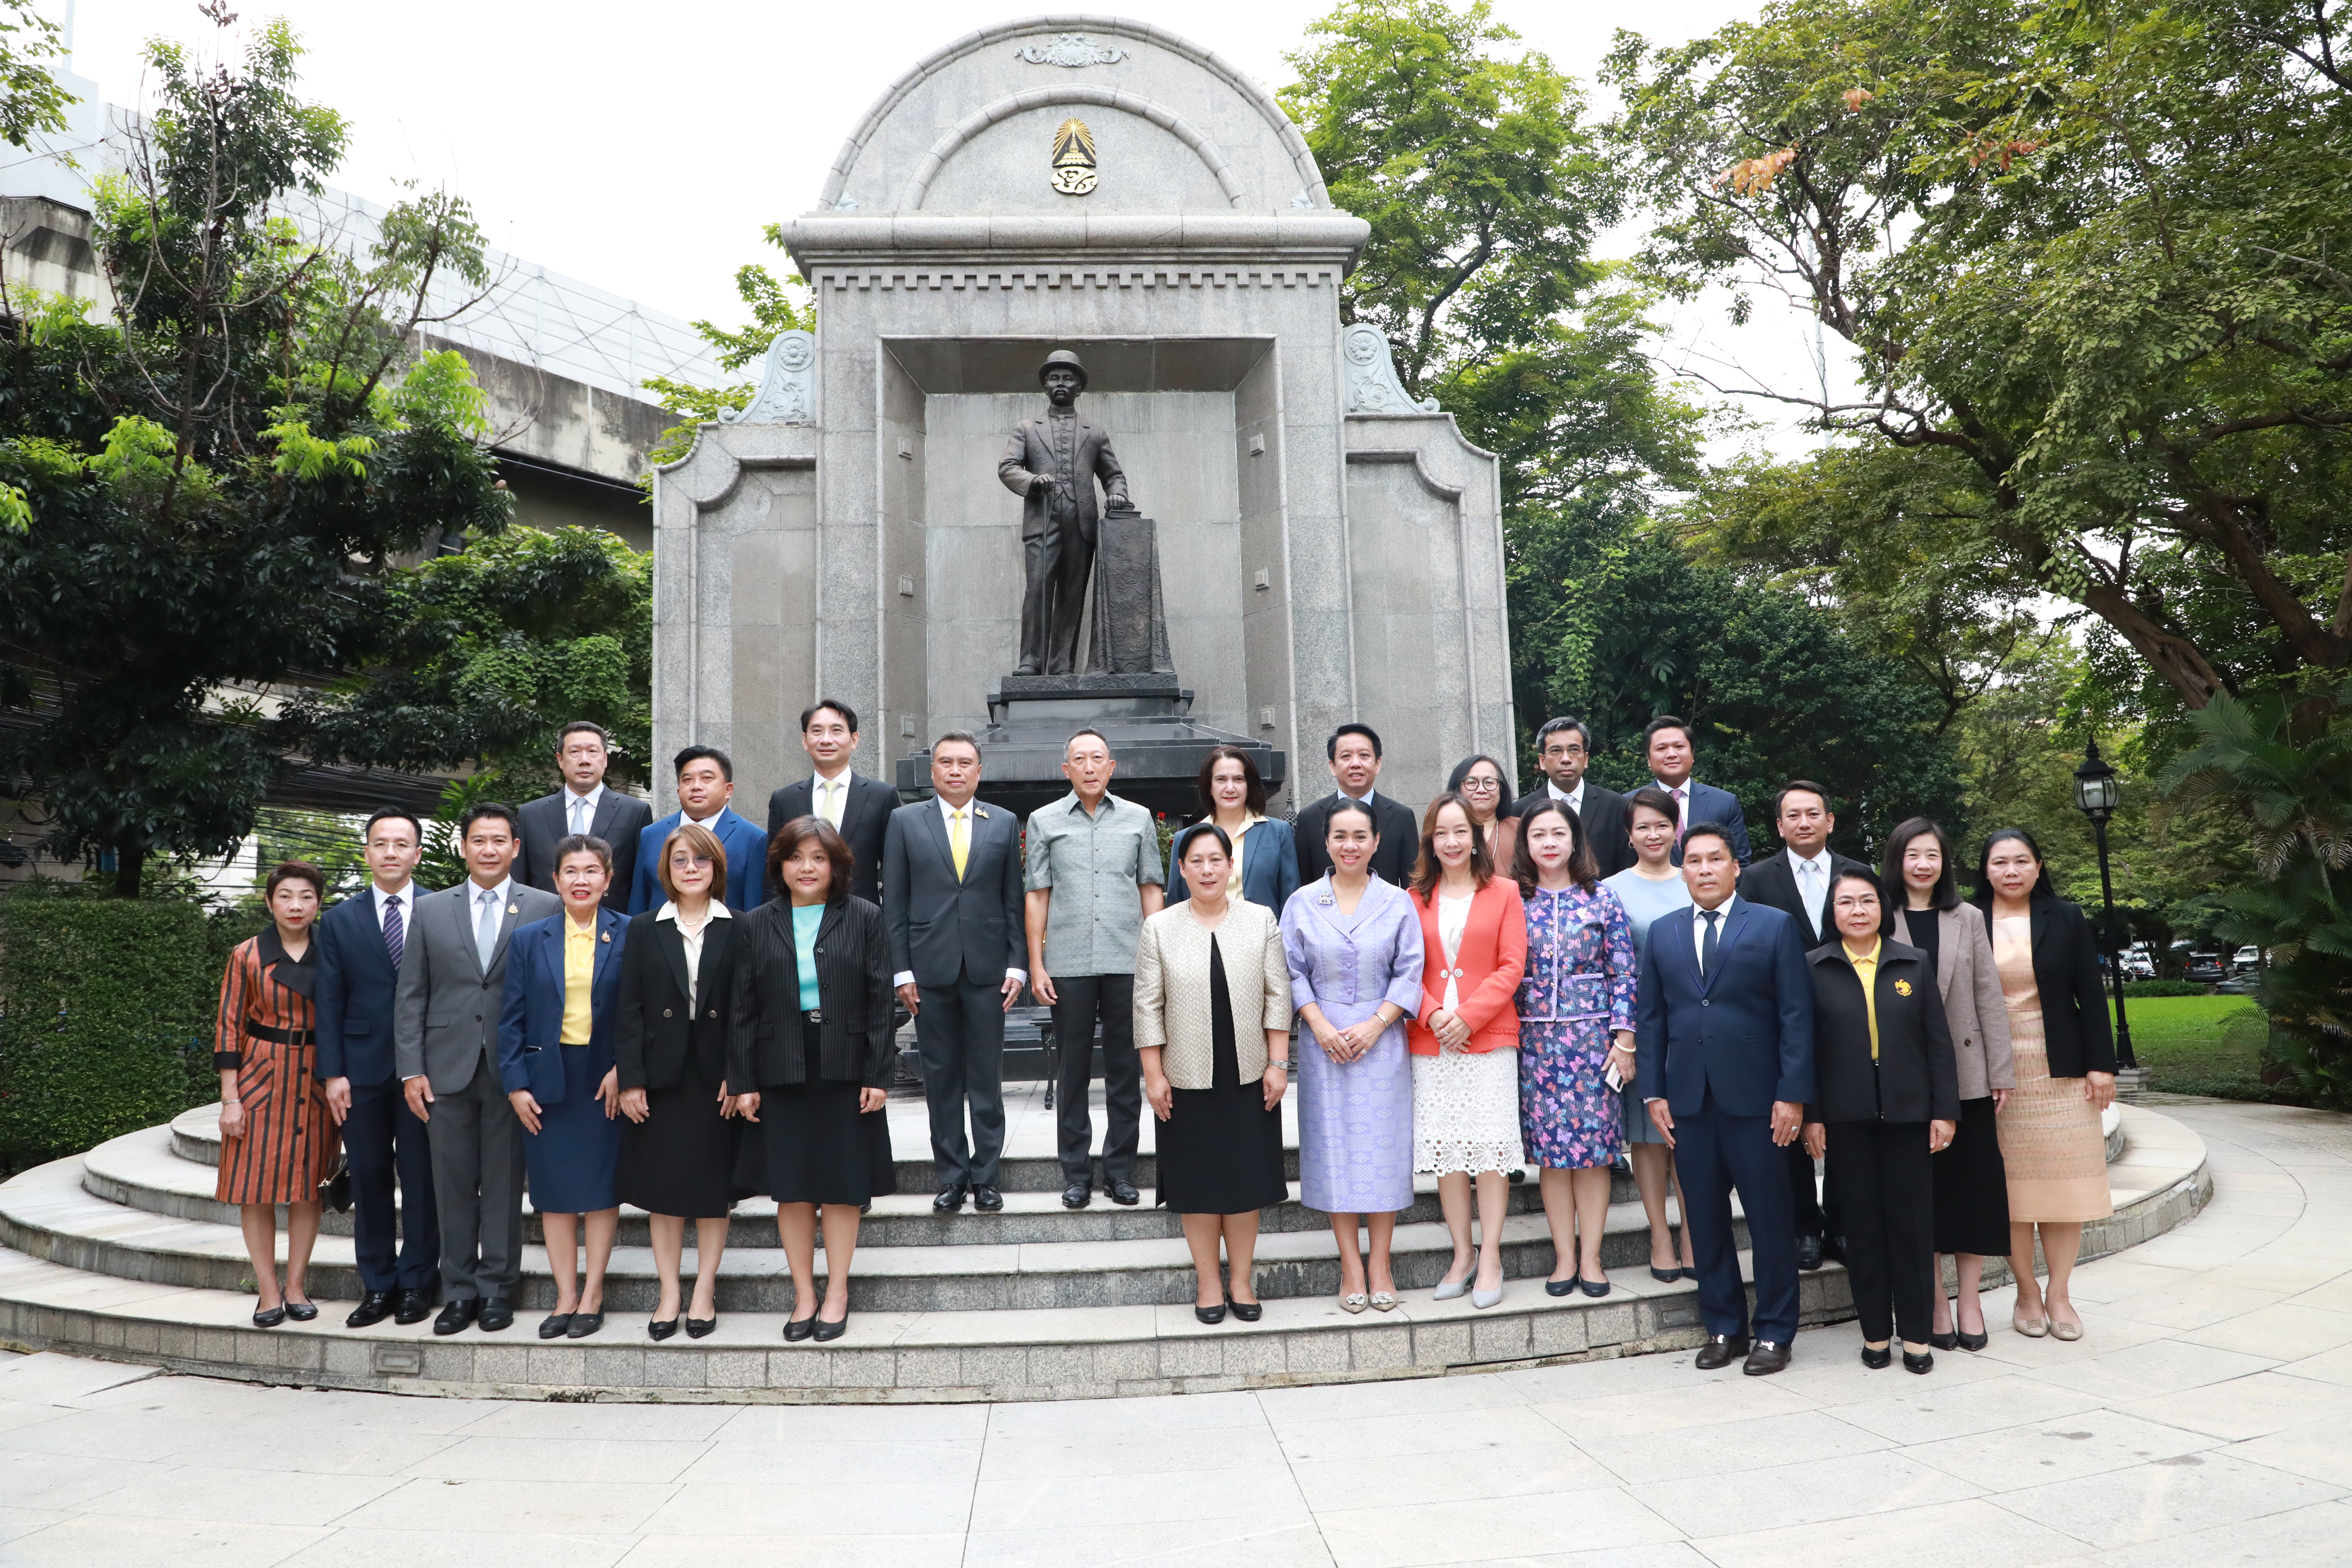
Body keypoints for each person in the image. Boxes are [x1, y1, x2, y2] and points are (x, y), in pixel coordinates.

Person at [1635, 824, 1814, 1376]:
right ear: (1682, 869)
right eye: (1695, 861)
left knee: (1769, 1220)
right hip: (1690, 1102)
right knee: (1706, 1222)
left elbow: (1796, 1016)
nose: (1706, 869)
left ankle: (1775, 1332)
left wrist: (1793, 1096)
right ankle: (1724, 1327)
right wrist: (1654, 1092)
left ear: (1736, 868)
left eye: (1716, 860)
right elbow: (1652, 1018)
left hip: (1760, 1103)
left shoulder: (1772, 926)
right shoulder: (1662, 933)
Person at [395, 803, 563, 1336]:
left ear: (516, 848)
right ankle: (459, 1290)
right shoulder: (431, 910)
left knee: (505, 1181)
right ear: (463, 847)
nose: (489, 850)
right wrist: (410, 1070)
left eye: (499, 841)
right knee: (451, 1184)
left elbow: (552, 992)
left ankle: (497, 1289)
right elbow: (411, 996)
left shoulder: (546, 905)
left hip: (513, 1069)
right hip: (445, 1067)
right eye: (479, 840)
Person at [731, 817, 897, 1343]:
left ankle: (838, 1292)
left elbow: (880, 1003)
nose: (808, 868)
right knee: (794, 1189)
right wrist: (743, 1080)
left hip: (846, 1065)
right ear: (780, 865)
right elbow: (742, 1008)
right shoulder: (757, 923)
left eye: (819, 858)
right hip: (780, 1064)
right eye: (797, 857)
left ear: (837, 866)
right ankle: (803, 1293)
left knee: (843, 1188)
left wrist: (878, 1073)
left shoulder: (865, 917)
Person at [1801, 869, 1959, 1374]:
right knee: (1863, 1230)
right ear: (1834, 912)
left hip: (1910, 1116)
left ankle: (1916, 1335)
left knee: (1912, 1228)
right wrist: (1814, 1118)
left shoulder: (1913, 961)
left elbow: (1938, 1044)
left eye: (1867, 900)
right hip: (1846, 1120)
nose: (1857, 910)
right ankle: (1874, 1334)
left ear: (1883, 908)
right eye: (1845, 902)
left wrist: (1944, 1111)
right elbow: (1806, 1051)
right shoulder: (1814, 967)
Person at [1136, 823, 1293, 1324]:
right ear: (1181, 869)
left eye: (1216, 860)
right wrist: (1153, 1075)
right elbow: (1146, 1006)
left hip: (1250, 1073)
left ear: (1231, 867)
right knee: (1198, 1182)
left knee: (1245, 1180)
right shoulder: (1160, 927)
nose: (1207, 870)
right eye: (1196, 861)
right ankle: (1208, 1283)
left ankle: (1242, 1280)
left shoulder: (1260, 919)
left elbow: (1278, 995)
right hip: (1185, 1076)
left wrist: (1278, 1063)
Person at [1974, 829, 2116, 1342]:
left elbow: (2091, 994)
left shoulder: (2067, 917)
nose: (2011, 872)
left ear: (2038, 867)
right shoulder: (1967, 919)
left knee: (2064, 1187)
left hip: (2063, 1068)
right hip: (1996, 1075)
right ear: (1985, 869)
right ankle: (2026, 1291)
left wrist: (2102, 1064)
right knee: (2013, 1191)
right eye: (2000, 863)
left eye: (2021, 862)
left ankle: (2059, 1292)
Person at [1282, 799, 1423, 1311]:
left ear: (1377, 842)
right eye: (1340, 836)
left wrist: (1377, 1024)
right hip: (1324, 1044)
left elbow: (1411, 971)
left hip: (1382, 1042)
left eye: (1360, 836)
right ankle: (1350, 1266)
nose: (1350, 846)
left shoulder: (1397, 901)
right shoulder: (1302, 902)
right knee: (1335, 1153)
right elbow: (1292, 971)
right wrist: (1317, 1023)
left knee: (1382, 1153)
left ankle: (1381, 1263)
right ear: (1326, 842)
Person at [1882, 817, 2014, 1352]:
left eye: (1932, 855)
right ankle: (1934, 1299)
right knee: (1923, 1195)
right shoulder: (1879, 916)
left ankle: (1972, 1299)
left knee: (1974, 1189)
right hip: (1906, 1080)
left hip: (1968, 1075)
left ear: (1945, 862)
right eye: (1913, 854)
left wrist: (2000, 1071)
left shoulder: (1968, 918)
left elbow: (1989, 995)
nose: (1922, 864)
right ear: (1897, 860)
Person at [883, 731, 1026, 1213]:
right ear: (933, 770)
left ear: (979, 771)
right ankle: (951, 1177)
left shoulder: (1003, 823)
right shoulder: (904, 822)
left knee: (986, 1077)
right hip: (928, 971)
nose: (956, 770)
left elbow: (1013, 900)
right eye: (946, 762)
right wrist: (901, 971)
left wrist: (1018, 964)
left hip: (988, 971)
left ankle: (987, 1177)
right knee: (941, 1079)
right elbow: (895, 904)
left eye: (965, 763)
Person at [1735, 781, 1874, 1271]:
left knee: (1842, 1117)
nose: (1803, 822)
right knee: (1791, 1121)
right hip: (1780, 1018)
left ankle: (1840, 1221)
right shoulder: (1754, 879)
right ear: (1779, 826)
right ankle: (1804, 1227)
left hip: (1848, 1016)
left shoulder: (1857, 874)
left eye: (1813, 813)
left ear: (1830, 820)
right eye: (1792, 815)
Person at [1026, 729, 1166, 1210]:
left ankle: (1121, 1172)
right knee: (1074, 1071)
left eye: (1098, 758)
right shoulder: (1044, 821)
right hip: (1068, 962)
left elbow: (1151, 888)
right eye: (1079, 759)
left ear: (1112, 766)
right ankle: (1077, 1174)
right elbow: (1038, 894)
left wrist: (1158, 956)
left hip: (1128, 959)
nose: (1089, 767)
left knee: (1127, 1070)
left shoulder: (1137, 819)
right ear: (1066, 769)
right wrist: (1036, 962)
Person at [613, 821, 742, 1340]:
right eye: (681, 861)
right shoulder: (645, 927)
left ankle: (705, 1289)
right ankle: (669, 1292)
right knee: (663, 1192)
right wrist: (631, 1080)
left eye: (702, 860)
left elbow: (746, 1011)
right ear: (666, 870)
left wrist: (740, 1075)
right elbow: (629, 1010)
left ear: (717, 868)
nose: (692, 869)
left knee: (713, 1191)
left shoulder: (740, 925)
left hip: (716, 1079)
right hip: (660, 1078)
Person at [498, 835, 629, 1340]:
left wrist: (625, 1069)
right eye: (571, 871)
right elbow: (511, 1020)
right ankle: (565, 1296)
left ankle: (593, 1294)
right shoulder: (531, 939)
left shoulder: (629, 934)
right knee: (554, 1197)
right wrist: (515, 1085)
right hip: (547, 1080)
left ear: (608, 879)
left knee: (599, 1192)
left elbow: (636, 1013)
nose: (581, 880)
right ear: (555, 881)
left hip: (604, 1080)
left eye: (592, 871)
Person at [314, 810, 440, 1329]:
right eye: (380, 843)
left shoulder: (442, 909)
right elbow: (329, 999)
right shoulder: (341, 919)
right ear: (366, 852)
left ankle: (417, 1283)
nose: (391, 852)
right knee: (367, 1176)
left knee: (421, 1177)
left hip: (424, 1070)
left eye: (401, 843)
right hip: (361, 1072)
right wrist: (333, 1073)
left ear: (416, 853)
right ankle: (377, 1284)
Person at [1408, 792, 1528, 1309]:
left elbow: (1512, 965)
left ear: (1475, 837)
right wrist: (1435, 1014)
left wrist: (1468, 1017)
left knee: (1490, 1152)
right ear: (1430, 842)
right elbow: (1402, 967)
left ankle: (1493, 1255)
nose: (1452, 841)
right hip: (1432, 1042)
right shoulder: (1413, 897)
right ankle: (1461, 1254)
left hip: (1489, 1039)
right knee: (1449, 1153)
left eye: (1461, 831)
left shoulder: (1504, 891)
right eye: (1442, 833)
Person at [1513, 800, 1637, 1297]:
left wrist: (1624, 1038)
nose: (1548, 842)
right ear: (1526, 844)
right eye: (1538, 834)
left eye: (1557, 833)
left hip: (1593, 1042)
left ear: (1574, 840)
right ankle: (1564, 1258)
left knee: (1592, 1154)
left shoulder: (1601, 899)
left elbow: (1625, 971)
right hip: (1535, 1041)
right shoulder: (1514, 900)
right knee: (1552, 1156)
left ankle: (1592, 1258)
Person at [214, 861, 336, 1328]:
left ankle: (296, 1285)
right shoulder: (246, 955)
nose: (296, 906)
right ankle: (267, 1290)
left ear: (318, 903)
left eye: (306, 896)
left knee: (308, 1189)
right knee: (255, 1189)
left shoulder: (334, 951)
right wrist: (231, 1099)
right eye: (285, 896)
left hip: (317, 1079)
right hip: (261, 1076)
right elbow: (228, 1027)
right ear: (269, 902)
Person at [1604, 786, 1698, 1281]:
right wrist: (1622, 1039)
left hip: (1694, 1027)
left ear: (1676, 828)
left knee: (1689, 1134)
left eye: (1662, 824)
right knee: (1647, 1138)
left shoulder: (1697, 880)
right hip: (1639, 1030)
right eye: (1643, 826)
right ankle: (1660, 1233)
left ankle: (1692, 1233)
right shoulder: (1612, 889)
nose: (1654, 834)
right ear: (1630, 835)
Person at [766, 699, 896, 905]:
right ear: (805, 740)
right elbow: (773, 871)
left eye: (837, 731)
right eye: (817, 731)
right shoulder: (784, 799)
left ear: (854, 740)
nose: (826, 740)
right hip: (800, 917)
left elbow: (894, 872)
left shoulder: (882, 797)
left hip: (861, 922)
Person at [517, 721, 652, 913]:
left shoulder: (635, 812)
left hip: (612, 930)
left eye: (593, 752)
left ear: (605, 759)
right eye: (575, 752)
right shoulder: (531, 814)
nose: (584, 760)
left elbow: (641, 884)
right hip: (543, 927)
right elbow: (520, 883)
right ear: (560, 759)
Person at [628, 747, 766, 915]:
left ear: (728, 790)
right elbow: (639, 903)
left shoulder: (753, 838)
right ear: (679, 791)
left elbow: (755, 908)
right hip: (658, 937)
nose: (696, 786)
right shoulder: (651, 835)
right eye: (687, 780)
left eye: (707, 778)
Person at [1166, 745, 1298, 915]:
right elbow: (1175, 906)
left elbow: (1291, 902)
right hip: (1203, 937)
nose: (1230, 788)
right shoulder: (1185, 838)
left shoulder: (1278, 832)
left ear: (1249, 785)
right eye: (1221, 780)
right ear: (1210, 787)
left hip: (1263, 937)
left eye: (1238, 779)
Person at [1295, 723, 1420, 886]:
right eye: (1346, 756)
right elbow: (1303, 882)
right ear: (1333, 766)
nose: (1356, 764)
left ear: (1378, 764)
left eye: (1364, 755)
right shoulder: (1310, 818)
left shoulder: (1402, 817)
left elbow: (1413, 884)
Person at [1512, 716, 1633, 878]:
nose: (1566, 759)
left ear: (1586, 759)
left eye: (1574, 750)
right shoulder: (1520, 811)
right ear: (1542, 761)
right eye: (1556, 751)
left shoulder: (1616, 806)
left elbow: (1627, 869)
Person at [1644, 715, 1751, 865]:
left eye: (1679, 747)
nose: (1671, 754)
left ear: (1693, 755)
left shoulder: (1725, 803)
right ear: (1648, 759)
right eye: (1661, 749)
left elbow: (1741, 863)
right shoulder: (1629, 804)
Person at [1448, 754, 1521, 871]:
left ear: (1501, 789)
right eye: (1472, 783)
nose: (1481, 790)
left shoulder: (1520, 829)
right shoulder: (1443, 831)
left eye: (1489, 783)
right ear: (1457, 788)